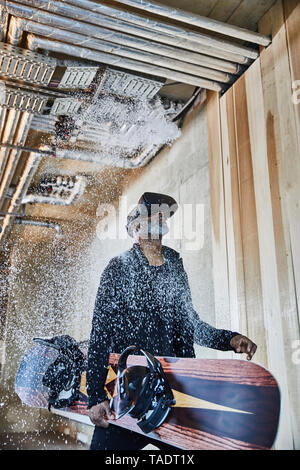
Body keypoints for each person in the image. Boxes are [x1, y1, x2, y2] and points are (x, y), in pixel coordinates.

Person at [87, 192, 257, 450]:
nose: (159, 220)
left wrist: (229, 339)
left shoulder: (174, 266)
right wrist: (95, 397)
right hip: (130, 392)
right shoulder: (118, 269)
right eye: (153, 215)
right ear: (136, 227)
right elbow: (99, 334)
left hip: (172, 390)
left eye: (162, 216)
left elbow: (191, 325)